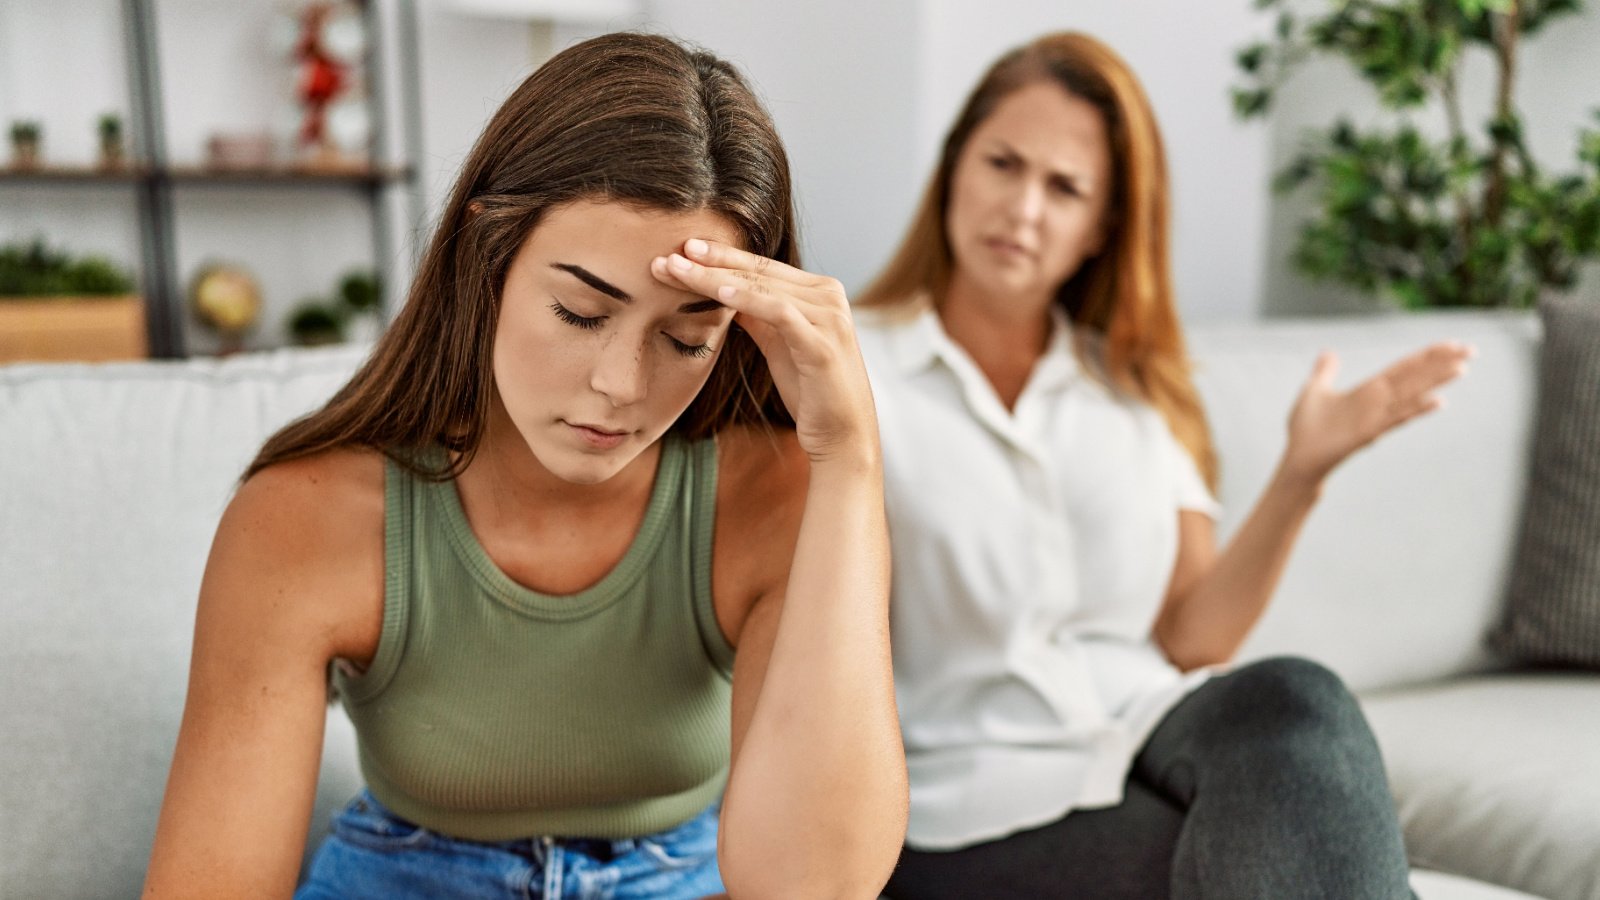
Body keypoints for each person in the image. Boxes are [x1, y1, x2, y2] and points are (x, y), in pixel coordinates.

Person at [142, 33, 907, 900]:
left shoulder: (771, 495)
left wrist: (849, 459)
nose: (620, 387)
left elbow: (814, 887)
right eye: (581, 313)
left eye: (687, 337)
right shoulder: (306, 516)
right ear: (487, 254)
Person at [855, 31, 1471, 899]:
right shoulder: (849, 373)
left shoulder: (1137, 390)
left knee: (1297, 699)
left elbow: (1191, 638)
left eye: (1064, 188)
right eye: (1003, 163)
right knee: (1233, 854)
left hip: (1147, 726)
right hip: (968, 799)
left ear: (1103, 228)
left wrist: (1302, 475)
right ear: (955, 165)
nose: (1023, 208)